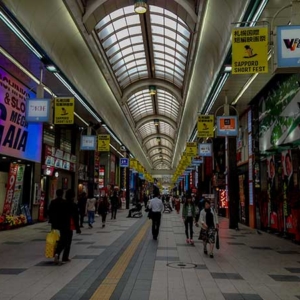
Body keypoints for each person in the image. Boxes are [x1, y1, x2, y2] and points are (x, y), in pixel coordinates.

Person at [49, 189, 81, 264]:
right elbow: (76, 217)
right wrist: (78, 228)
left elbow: (56, 213)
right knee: (68, 241)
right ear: (73, 196)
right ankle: (64, 256)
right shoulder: (73, 205)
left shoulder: (62, 203)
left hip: (61, 224)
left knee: (62, 239)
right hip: (69, 225)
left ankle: (57, 253)